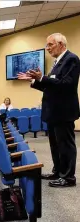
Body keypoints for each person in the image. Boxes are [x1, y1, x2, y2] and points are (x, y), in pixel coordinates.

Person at [17, 33, 80, 187]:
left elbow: (67, 84)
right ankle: (58, 171)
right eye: (47, 45)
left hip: (63, 112)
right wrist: (34, 80)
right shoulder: (57, 62)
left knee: (65, 145)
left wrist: (42, 78)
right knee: (55, 144)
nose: (47, 48)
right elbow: (51, 86)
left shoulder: (71, 59)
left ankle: (68, 177)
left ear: (61, 44)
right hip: (53, 112)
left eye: (50, 44)